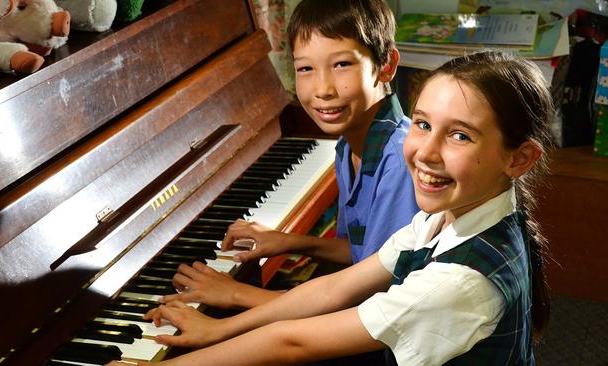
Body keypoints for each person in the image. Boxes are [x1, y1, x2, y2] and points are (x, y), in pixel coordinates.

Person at [107, 49, 555, 366]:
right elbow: (333, 290)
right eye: (422, 124)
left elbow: (293, 343)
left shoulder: (460, 282)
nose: (425, 152)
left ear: (519, 158)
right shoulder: (448, 216)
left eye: (460, 135)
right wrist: (220, 328)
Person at [161, 0, 418, 311]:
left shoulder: (400, 162)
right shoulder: (349, 144)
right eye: (305, 69)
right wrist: (291, 242)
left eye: (341, 65)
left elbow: (372, 302)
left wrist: (235, 295)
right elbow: (364, 252)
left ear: (386, 65)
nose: (322, 89)